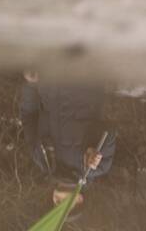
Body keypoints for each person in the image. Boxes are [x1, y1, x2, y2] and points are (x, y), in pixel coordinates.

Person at [20, 74, 115, 211]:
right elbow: (110, 130)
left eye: (56, 204)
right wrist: (93, 148)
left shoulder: (42, 159)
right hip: (87, 77)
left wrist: (31, 85)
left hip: (50, 75)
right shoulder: (97, 167)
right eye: (66, 207)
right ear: (80, 199)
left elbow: (29, 116)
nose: (58, 202)